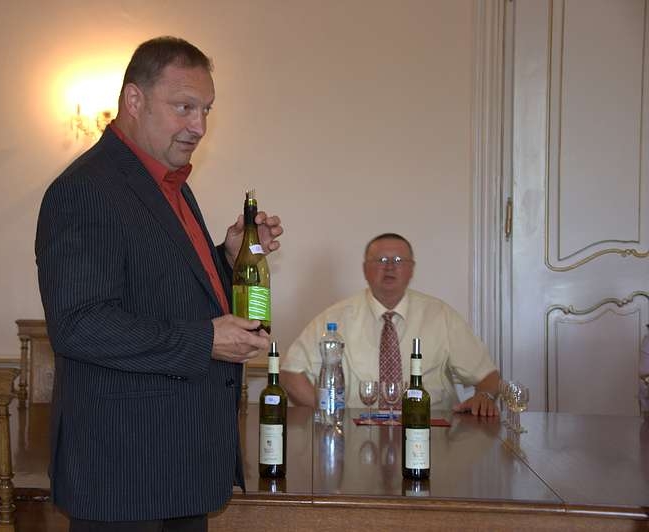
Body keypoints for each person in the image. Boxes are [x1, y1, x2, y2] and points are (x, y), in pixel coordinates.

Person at [35, 36, 283, 531]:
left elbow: (163, 290)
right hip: (124, 473)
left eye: (206, 110)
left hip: (179, 465)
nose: (200, 126)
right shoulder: (86, 188)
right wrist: (206, 340)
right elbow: (79, 325)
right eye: (184, 107)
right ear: (134, 100)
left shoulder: (168, 183)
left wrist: (227, 257)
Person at [280, 233, 500, 417]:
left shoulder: (440, 316)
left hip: (431, 433)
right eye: (381, 261)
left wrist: (485, 396)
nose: (390, 268)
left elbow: (488, 377)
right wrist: (330, 413)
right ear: (365, 269)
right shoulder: (335, 319)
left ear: (411, 269)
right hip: (358, 434)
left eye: (399, 261)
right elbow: (291, 374)